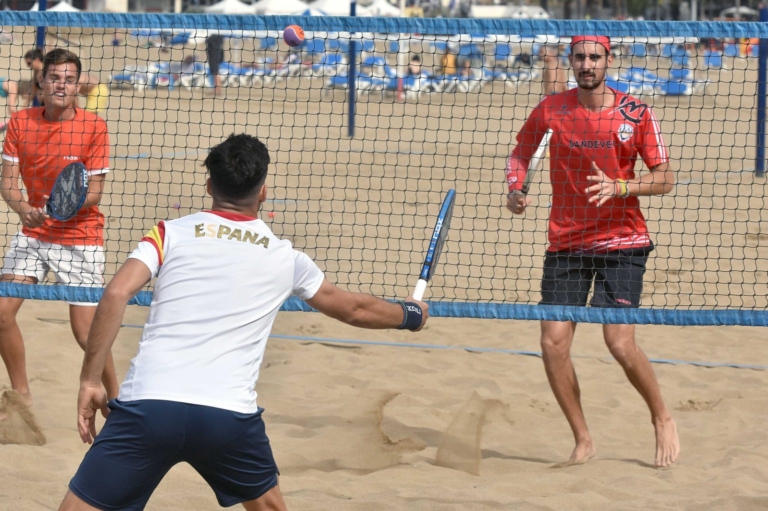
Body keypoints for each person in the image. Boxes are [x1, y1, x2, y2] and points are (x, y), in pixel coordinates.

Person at [57, 133, 429, 511]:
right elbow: (353, 309)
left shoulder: (169, 233)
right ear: (263, 191)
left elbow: (116, 294)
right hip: (227, 418)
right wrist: (409, 315)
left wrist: (90, 380)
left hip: (150, 407)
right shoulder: (286, 257)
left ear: (208, 185)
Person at [504, 35, 679, 468]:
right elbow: (520, 155)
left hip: (623, 241)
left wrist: (621, 186)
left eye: (595, 57)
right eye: (580, 57)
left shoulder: (635, 113)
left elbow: (665, 178)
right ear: (571, 62)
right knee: (552, 342)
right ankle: (583, 439)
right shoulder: (552, 109)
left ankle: (661, 416)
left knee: (618, 342)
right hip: (566, 242)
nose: (587, 64)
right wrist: (514, 189)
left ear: (608, 60)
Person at [0, 49, 118, 417]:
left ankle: (119, 402)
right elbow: (8, 184)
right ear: (42, 81)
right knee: (1, 313)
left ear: (77, 84)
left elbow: (96, 191)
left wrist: (66, 205)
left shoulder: (94, 126)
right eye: (55, 78)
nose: (61, 85)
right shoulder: (21, 122)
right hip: (34, 232)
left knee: (86, 334)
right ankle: (22, 396)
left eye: (69, 79)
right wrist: (24, 210)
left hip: (80, 235)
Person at [24, 48, 109, 114]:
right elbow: (33, 91)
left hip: (98, 90)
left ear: (37, 59)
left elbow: (73, 92)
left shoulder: (50, 68)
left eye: (29, 63)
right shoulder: (38, 72)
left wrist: (77, 111)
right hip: (85, 90)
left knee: (88, 119)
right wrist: (23, 107)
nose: (28, 66)